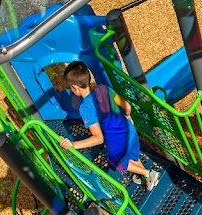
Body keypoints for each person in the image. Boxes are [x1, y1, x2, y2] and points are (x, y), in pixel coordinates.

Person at [59, 61, 160, 191]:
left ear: (74, 87)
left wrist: (74, 145)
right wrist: (128, 116)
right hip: (129, 128)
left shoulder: (85, 108)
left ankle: (148, 173)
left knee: (116, 162)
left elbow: (98, 138)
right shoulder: (103, 88)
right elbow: (127, 106)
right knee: (131, 155)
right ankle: (145, 176)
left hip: (117, 139)